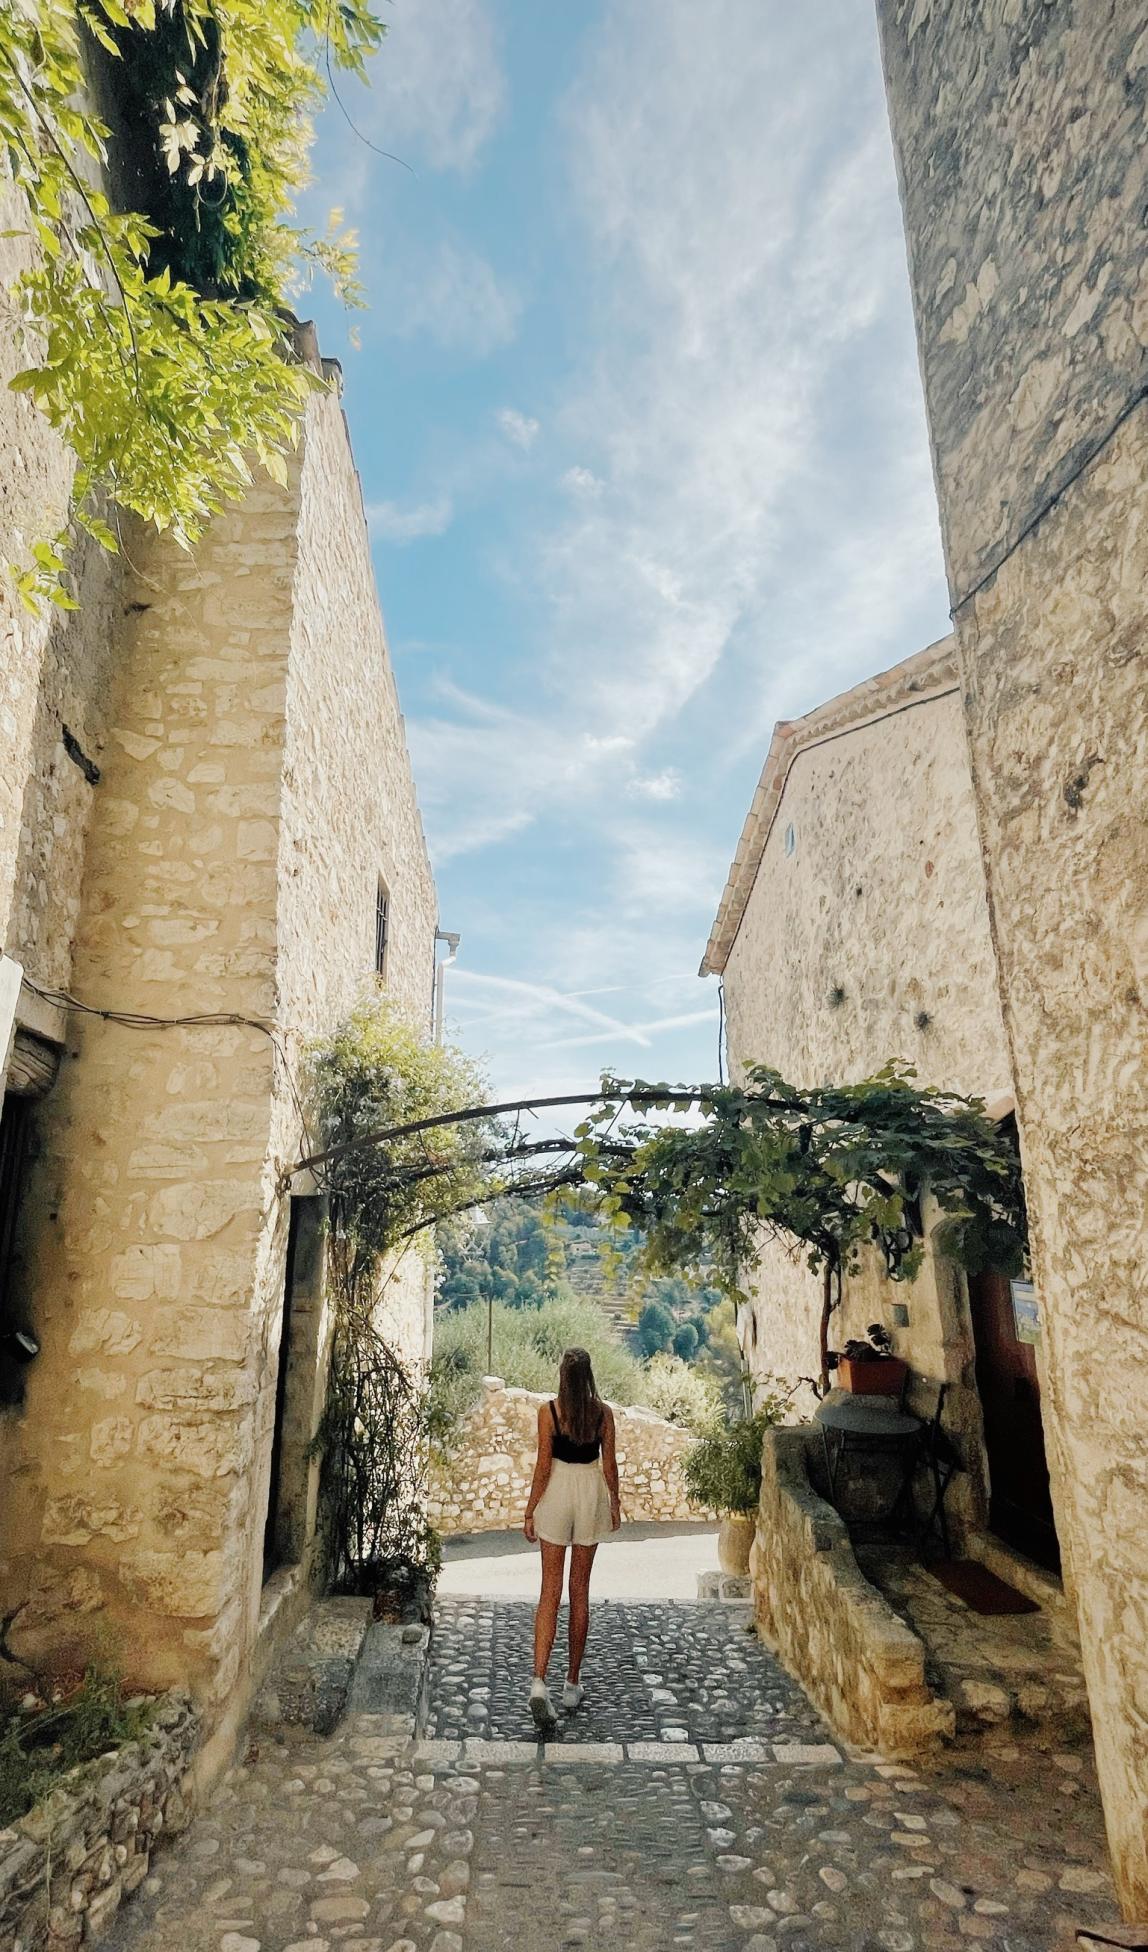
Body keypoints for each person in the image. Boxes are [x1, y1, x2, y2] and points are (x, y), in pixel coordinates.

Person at [523, 1346, 621, 1729]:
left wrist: (530, 1510)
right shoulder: (603, 1414)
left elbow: (543, 1466)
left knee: (550, 1589)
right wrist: (615, 1504)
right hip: (589, 1495)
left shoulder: (548, 1412)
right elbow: (609, 1465)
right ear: (589, 1376)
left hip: (557, 1494)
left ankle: (538, 1680)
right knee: (579, 1590)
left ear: (562, 1376)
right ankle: (572, 1682)